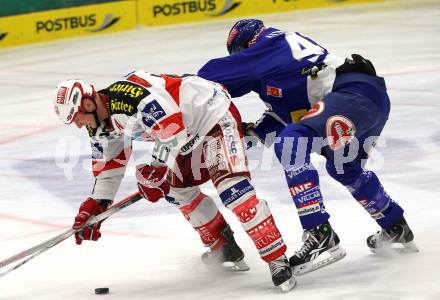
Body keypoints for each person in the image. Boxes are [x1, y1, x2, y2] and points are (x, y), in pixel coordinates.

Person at [198, 19, 419, 275]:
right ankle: (395, 225)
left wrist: (182, 90)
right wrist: (250, 134)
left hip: (353, 94)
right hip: (367, 101)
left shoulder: (268, 42)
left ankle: (319, 231)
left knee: (292, 143)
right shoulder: (280, 67)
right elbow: (285, 116)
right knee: (344, 167)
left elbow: (211, 78)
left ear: (247, 46)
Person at [53, 71, 296, 291]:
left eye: (77, 118)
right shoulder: (97, 127)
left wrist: (157, 169)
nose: (77, 124)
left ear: (87, 103)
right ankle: (223, 246)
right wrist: (96, 206)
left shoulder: (131, 97)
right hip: (185, 135)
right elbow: (110, 166)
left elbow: (171, 126)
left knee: (234, 191)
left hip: (212, 117)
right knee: (176, 191)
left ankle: (277, 259)